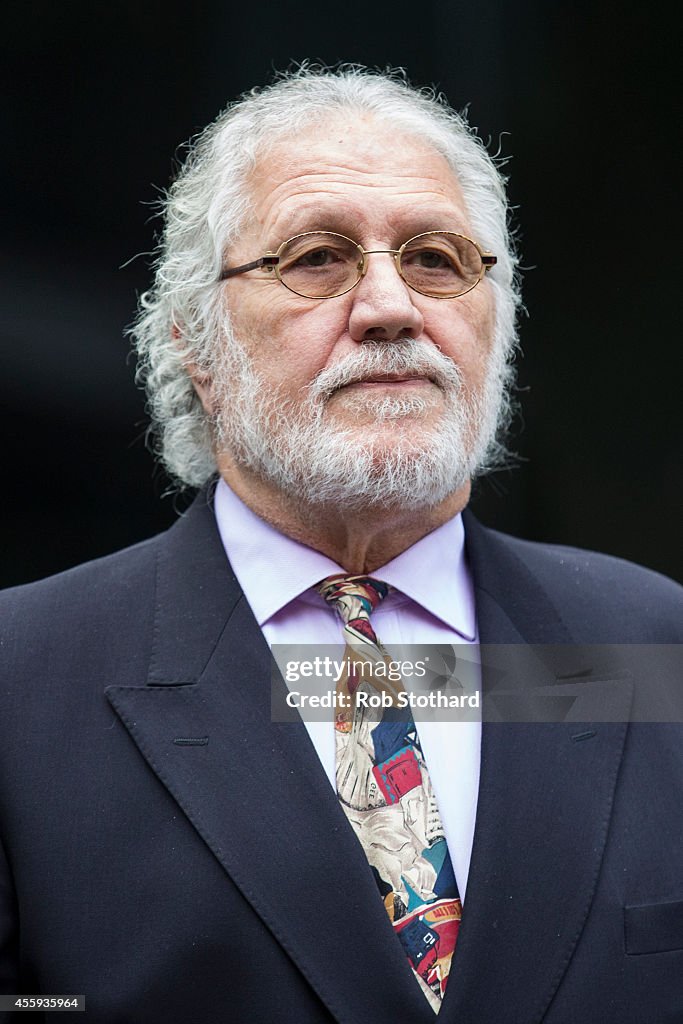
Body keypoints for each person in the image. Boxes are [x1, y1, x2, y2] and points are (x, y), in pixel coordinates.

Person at [0, 66, 681, 1024]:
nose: (391, 306)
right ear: (196, 341)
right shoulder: (21, 678)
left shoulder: (652, 644)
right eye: (317, 259)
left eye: (437, 259)